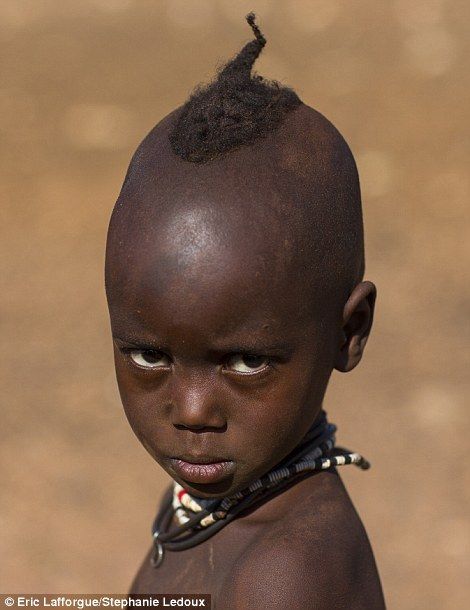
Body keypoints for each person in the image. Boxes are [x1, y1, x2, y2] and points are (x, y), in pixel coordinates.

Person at [105, 14, 386, 609]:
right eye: (150, 355)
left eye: (247, 362)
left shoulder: (284, 580)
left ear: (349, 332)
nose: (192, 412)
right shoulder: (205, 504)